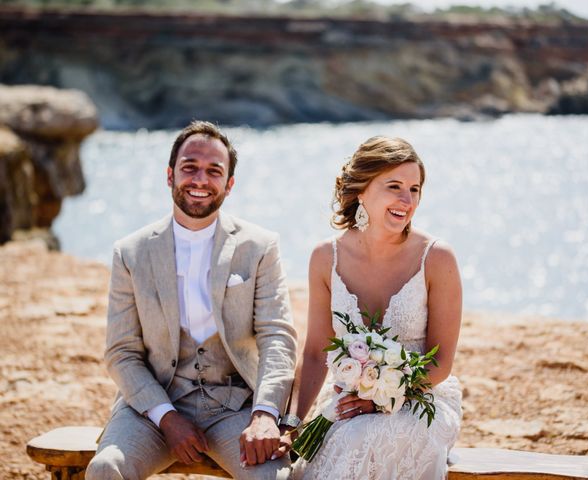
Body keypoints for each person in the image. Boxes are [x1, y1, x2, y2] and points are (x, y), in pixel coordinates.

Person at [86, 120, 297, 480]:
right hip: (152, 408)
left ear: (229, 185)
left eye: (214, 171)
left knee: (277, 478)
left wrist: (264, 413)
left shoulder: (259, 247)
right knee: (106, 469)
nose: (200, 180)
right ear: (170, 175)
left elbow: (277, 337)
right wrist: (166, 417)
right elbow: (121, 352)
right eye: (189, 168)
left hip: (235, 408)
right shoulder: (131, 252)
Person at [286, 136, 463, 479]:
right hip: (347, 400)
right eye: (394, 186)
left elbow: (440, 364)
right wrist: (293, 422)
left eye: (414, 189)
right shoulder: (326, 258)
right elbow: (313, 354)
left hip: (421, 402)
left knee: (362, 438)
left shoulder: (438, 258)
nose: (406, 200)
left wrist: (381, 399)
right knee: (337, 442)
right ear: (361, 190)